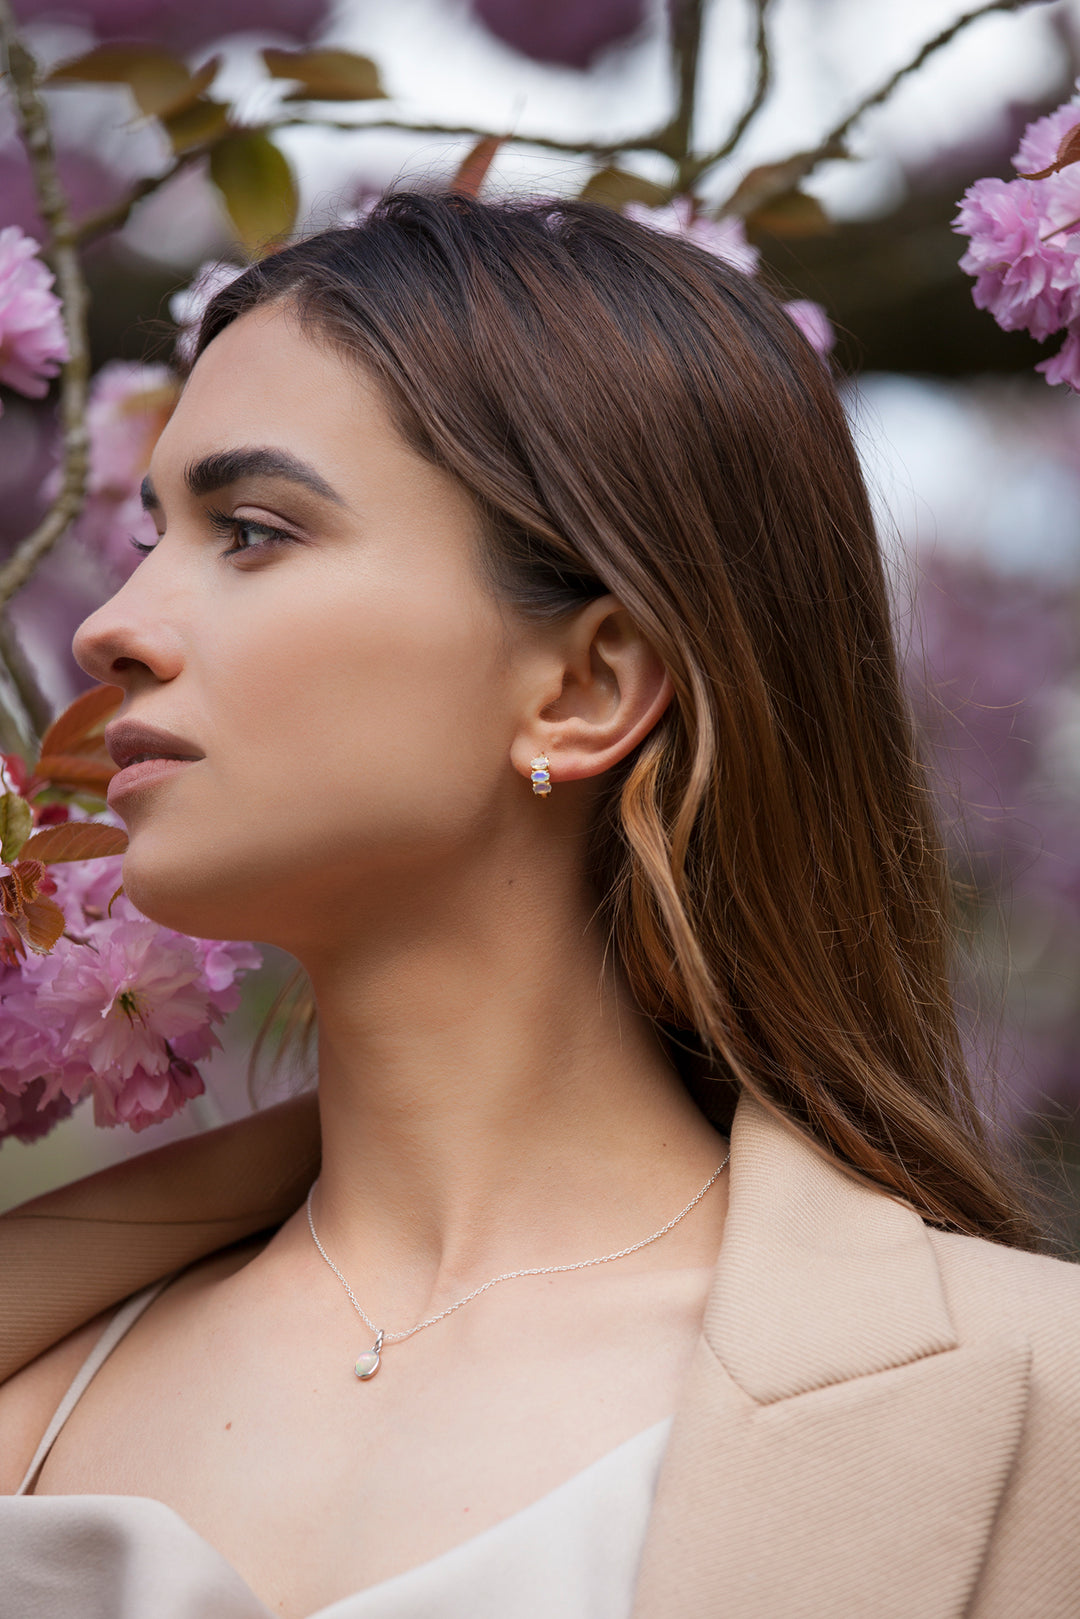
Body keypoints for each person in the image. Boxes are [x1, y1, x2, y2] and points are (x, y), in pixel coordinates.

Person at [0, 192, 1078, 1619]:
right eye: (150, 536)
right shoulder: (41, 1384)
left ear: (584, 686)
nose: (110, 626)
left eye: (250, 531)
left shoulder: (1031, 1417)